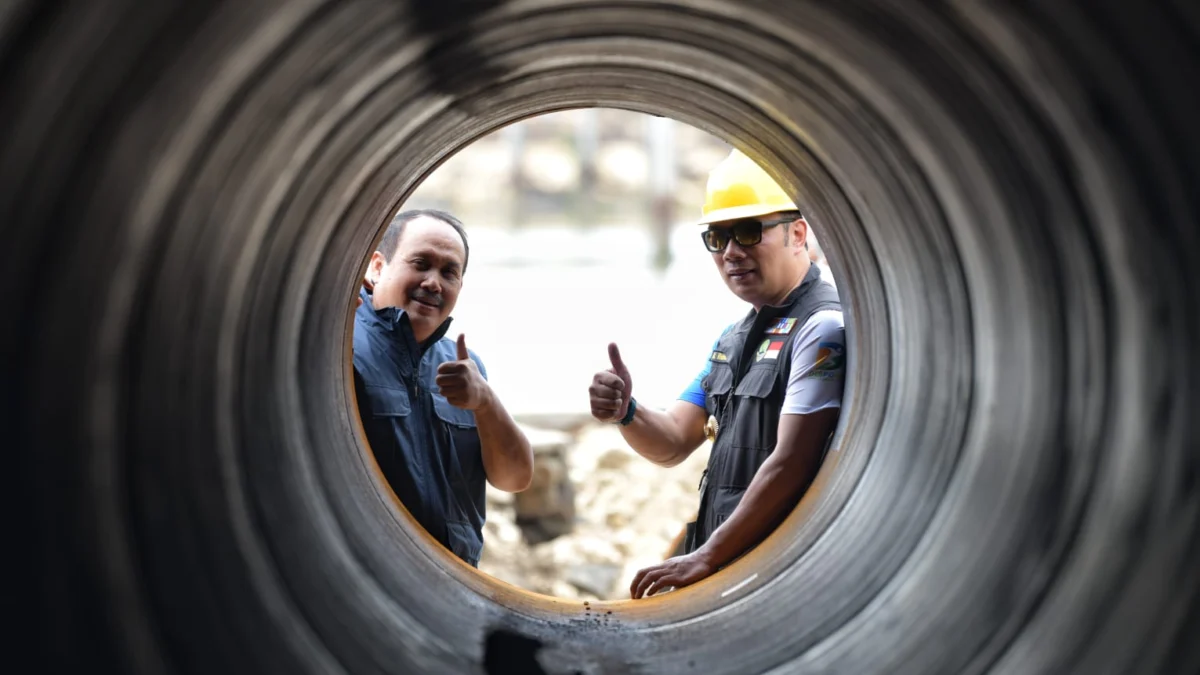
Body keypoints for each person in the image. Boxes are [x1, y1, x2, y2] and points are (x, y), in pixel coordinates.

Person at [588, 150, 846, 598]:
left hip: (778, 571)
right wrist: (626, 410)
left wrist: (706, 556)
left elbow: (792, 462)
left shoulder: (821, 328)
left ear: (798, 234)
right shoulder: (733, 340)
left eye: (748, 232)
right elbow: (672, 441)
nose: (731, 252)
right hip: (731, 564)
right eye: (717, 237)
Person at [354, 209, 533, 567]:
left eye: (448, 272)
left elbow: (514, 478)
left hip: (455, 576)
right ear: (377, 268)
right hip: (369, 572)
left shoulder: (465, 366)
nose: (434, 283)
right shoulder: (340, 346)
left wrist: (485, 402)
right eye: (421, 263)